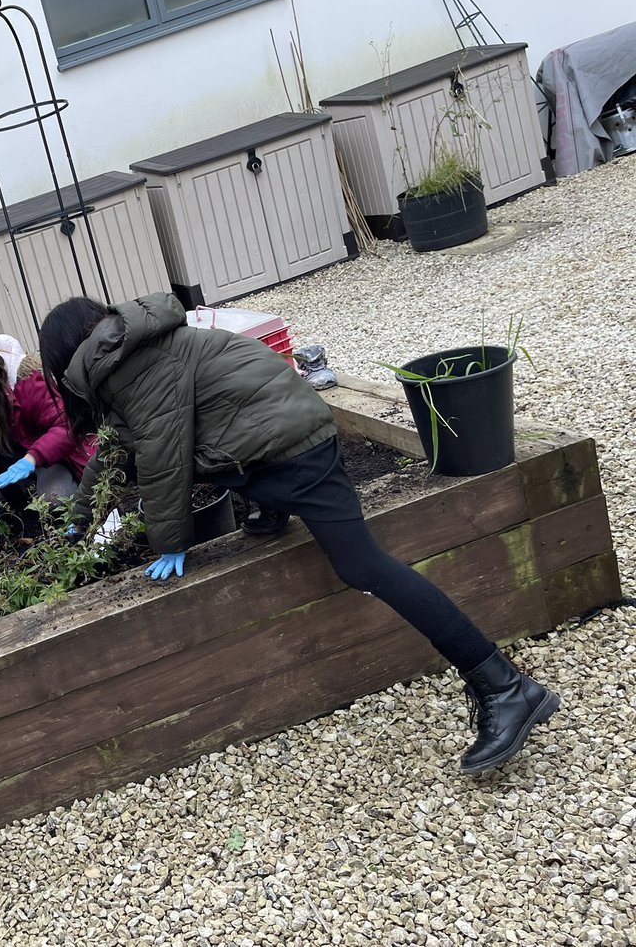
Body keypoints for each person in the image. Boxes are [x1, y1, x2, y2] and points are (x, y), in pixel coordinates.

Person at [39, 293, 559, 776]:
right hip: (287, 437)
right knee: (206, 447)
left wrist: (170, 541)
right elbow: (118, 449)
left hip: (295, 452)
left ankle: (505, 686)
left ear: (67, 355)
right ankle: (270, 509)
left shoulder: (131, 366)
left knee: (364, 567)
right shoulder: (133, 349)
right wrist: (77, 522)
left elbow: (161, 456)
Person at [0, 338, 96, 532]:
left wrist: (31, 459)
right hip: (8, 462)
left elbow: (66, 426)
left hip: (48, 460)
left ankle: (39, 501)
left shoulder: (27, 385)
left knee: (56, 498)